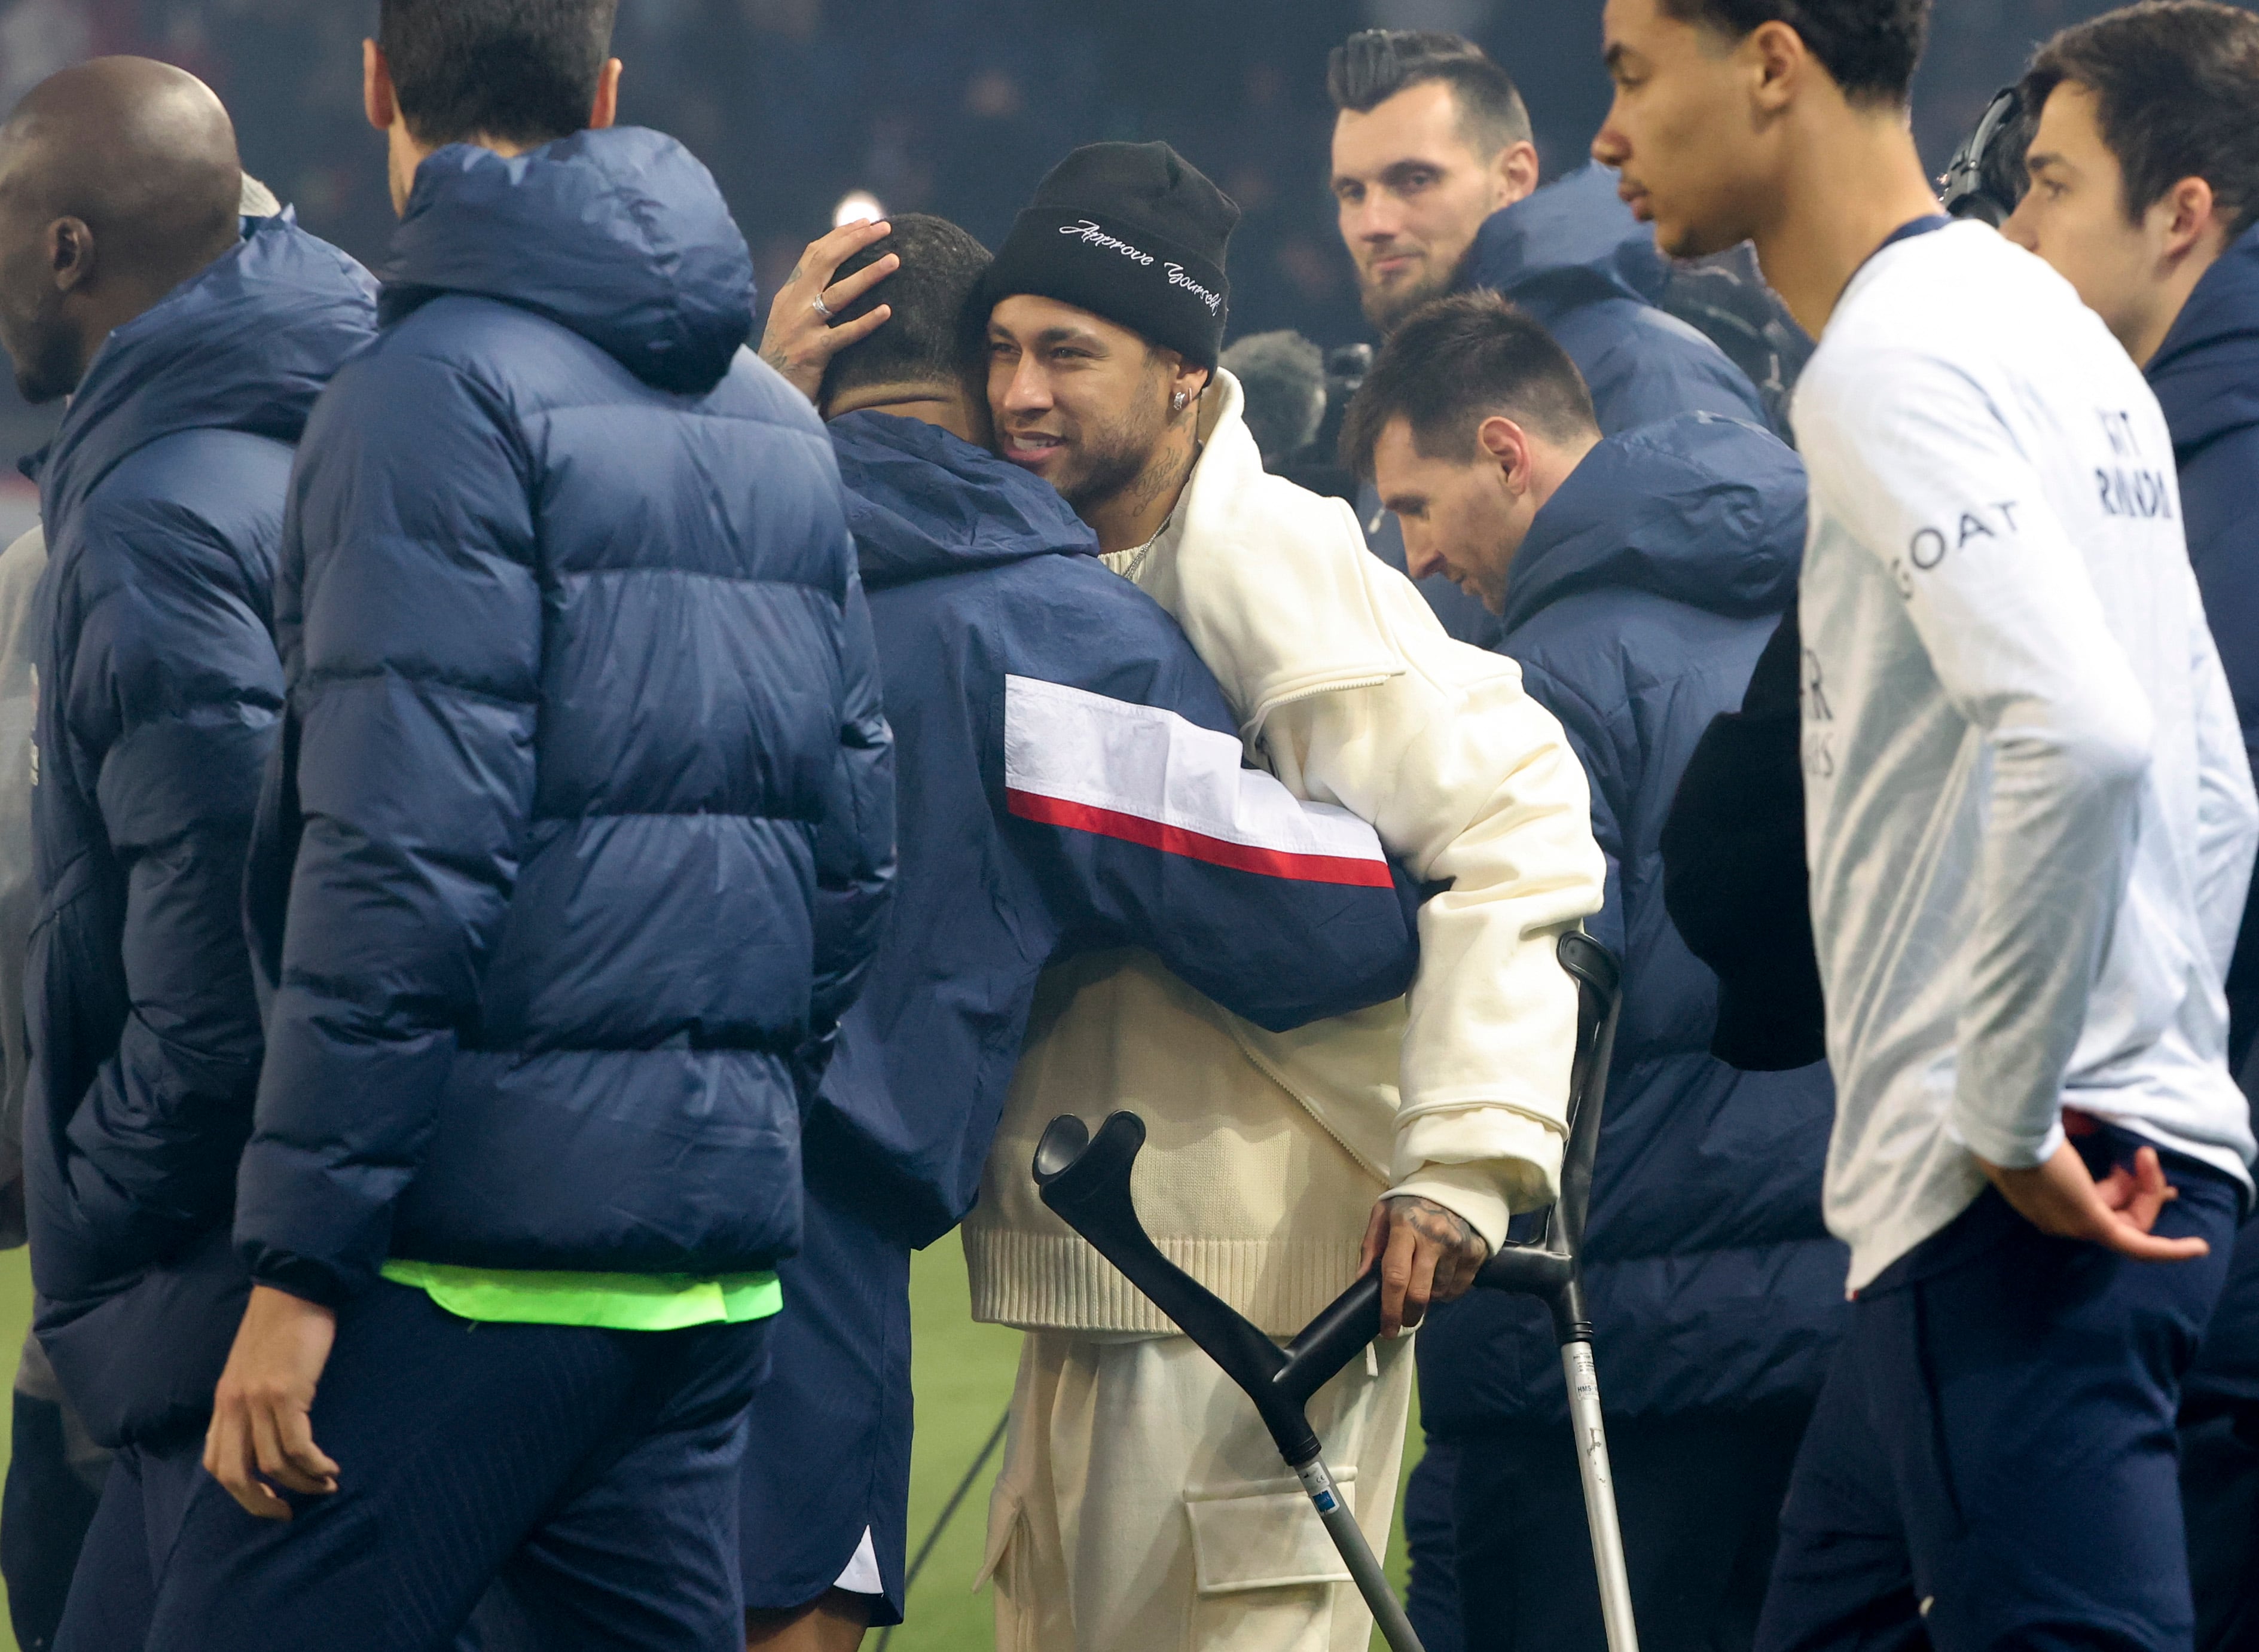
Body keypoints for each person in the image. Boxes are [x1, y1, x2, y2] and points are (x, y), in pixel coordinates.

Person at [147, 2, 895, 1646]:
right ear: (608, 95)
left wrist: (299, 1270)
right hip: (703, 1276)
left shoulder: (419, 395)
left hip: (468, 1262)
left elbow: (393, 859)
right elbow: (852, 851)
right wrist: (704, 1093)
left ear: (374, 85)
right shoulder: (777, 422)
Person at [1593, 5, 2259, 1652]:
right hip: (2113, 1154)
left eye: (1626, 73)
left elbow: (2084, 732)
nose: (1609, 130)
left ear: (1769, 62)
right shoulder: (2059, 340)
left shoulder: (1891, 359)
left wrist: (2019, 1100)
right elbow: (2212, 788)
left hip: (2017, 1194)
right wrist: (2156, 1064)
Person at [735, 211, 1424, 1652]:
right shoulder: (1035, 632)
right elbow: (1311, 924)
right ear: (989, 391)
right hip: (797, 1220)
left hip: (508, 1193)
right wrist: (1428, 848)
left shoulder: (676, 528)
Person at [964, 139, 1607, 1652]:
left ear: (1185, 371)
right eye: (999, 350)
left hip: (1257, 1264)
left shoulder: (1263, 557)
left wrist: (1461, 1159)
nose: (1019, 393)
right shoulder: (1096, 547)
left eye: (1068, 351)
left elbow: (1519, 804)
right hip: (1131, 1246)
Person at [1341, 288, 1842, 1652]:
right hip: (1835, 1299)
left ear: (1507, 454)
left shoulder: (1540, 683)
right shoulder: (1817, 609)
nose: (1416, 552)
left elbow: (1541, 989)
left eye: (1416, 503)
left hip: (1611, 1330)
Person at [0, 60, 377, 1648]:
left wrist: (81, 1207)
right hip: (350, 1222)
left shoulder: (149, 516)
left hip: (205, 1276)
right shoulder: (369, 443)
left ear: (74, 251)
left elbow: (216, 965)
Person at [1997, 9, 2259, 1645]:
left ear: (2181, 214)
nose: (2015, 238)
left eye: (2048, 187)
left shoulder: (2200, 481)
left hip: (2178, 1227)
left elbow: (2177, 843)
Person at [1327, 28, 1773, 661]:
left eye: (1414, 181)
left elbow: (1707, 689)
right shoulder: (1407, 401)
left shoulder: (1645, 368)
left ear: (1513, 177)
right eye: (1352, 192)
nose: (1374, 223)